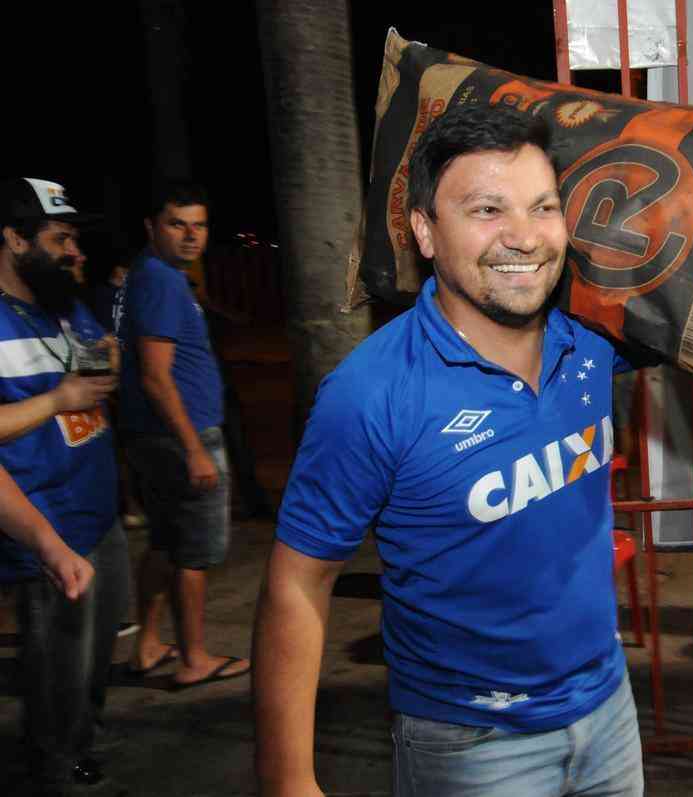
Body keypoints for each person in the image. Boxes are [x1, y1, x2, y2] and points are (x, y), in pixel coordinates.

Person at [253, 104, 644, 797]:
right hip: (472, 745)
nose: (523, 236)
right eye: (487, 210)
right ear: (426, 232)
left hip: (610, 712)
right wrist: (288, 778)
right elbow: (298, 580)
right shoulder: (372, 395)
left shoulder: (593, 345)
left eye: (544, 206)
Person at [0, 177, 129, 794]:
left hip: (99, 512)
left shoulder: (64, 304)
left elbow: (94, 373)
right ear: (14, 239)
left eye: (75, 238)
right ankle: (55, 767)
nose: (75, 252)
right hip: (45, 523)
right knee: (57, 666)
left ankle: (85, 736)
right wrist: (60, 398)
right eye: (61, 239)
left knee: (95, 654)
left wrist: (107, 362)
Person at [114, 180, 250, 689]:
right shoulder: (162, 281)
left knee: (165, 543)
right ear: (152, 227)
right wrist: (194, 448)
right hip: (181, 437)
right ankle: (194, 658)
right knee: (195, 552)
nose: (192, 236)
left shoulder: (153, 275)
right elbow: (155, 374)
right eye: (178, 224)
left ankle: (148, 645)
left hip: (155, 436)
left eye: (200, 225)